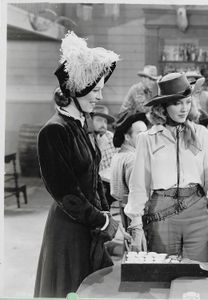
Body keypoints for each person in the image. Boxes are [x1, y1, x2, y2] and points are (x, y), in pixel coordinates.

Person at [34, 31, 120, 297]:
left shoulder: (81, 123)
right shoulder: (54, 131)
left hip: (89, 225)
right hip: (68, 231)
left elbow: (92, 176)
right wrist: (104, 222)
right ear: (75, 92)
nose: (99, 97)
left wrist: (107, 215)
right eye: (94, 91)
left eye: (100, 90)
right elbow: (67, 194)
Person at [124, 73, 208, 261]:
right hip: (161, 213)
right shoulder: (147, 139)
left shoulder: (203, 135)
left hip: (196, 210)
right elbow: (138, 185)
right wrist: (136, 225)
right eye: (177, 103)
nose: (184, 109)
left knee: (197, 273)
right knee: (163, 274)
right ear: (163, 107)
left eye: (187, 102)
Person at [110, 112, 148, 228]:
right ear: (127, 137)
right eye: (140, 133)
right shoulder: (133, 158)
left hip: (124, 210)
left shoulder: (118, 155)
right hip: (137, 216)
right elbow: (137, 192)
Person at [91, 105, 117, 172]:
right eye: (99, 120)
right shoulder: (84, 139)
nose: (103, 125)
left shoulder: (110, 137)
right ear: (90, 121)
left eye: (105, 121)